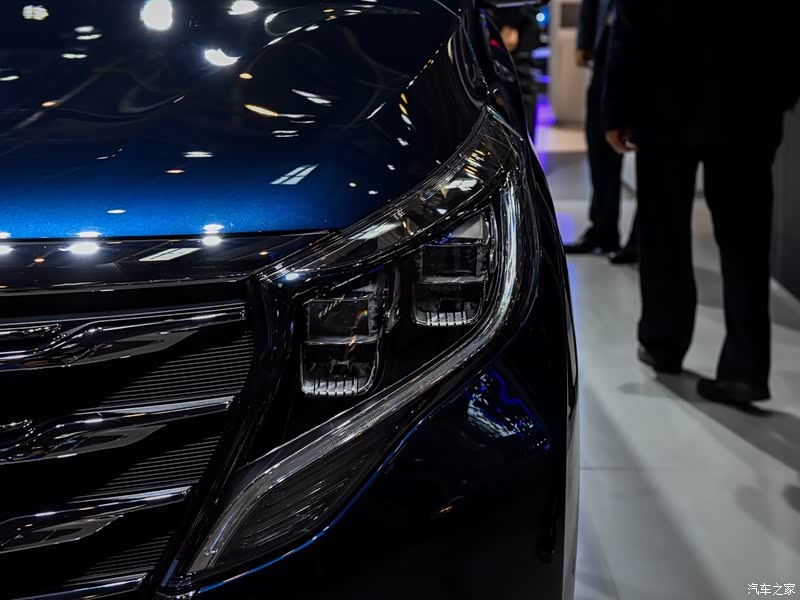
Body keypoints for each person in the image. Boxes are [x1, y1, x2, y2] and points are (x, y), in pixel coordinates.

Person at [604, 0, 800, 404]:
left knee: (664, 232)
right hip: (748, 107)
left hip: (665, 105)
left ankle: (664, 342)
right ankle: (744, 370)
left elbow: (632, 28)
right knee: (746, 242)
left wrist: (616, 111)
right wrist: (777, 97)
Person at [565, 0, 638, 264]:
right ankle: (603, 229)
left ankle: (641, 240)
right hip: (607, 47)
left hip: (644, 53)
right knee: (598, 145)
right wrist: (585, 41)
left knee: (655, 158)